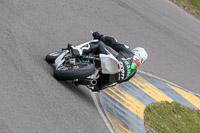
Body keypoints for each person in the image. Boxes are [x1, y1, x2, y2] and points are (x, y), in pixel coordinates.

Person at [70, 32, 148, 92]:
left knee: (99, 44)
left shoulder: (130, 53)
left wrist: (100, 36)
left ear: (136, 51)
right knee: (98, 86)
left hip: (114, 63)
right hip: (113, 77)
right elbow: (120, 81)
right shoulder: (133, 73)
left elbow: (113, 43)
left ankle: (78, 51)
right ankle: (86, 82)